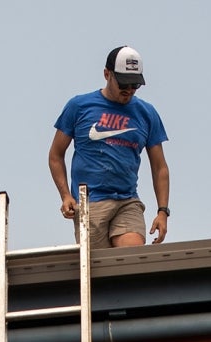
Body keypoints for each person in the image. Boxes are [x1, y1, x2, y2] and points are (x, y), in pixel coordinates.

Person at [49, 45, 169, 248]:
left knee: (131, 260)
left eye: (134, 85)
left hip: (127, 200)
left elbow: (160, 167)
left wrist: (162, 211)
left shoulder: (146, 113)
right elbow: (55, 155)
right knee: (100, 271)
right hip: (91, 203)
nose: (129, 90)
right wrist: (66, 196)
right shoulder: (79, 107)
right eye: (124, 84)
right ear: (107, 74)